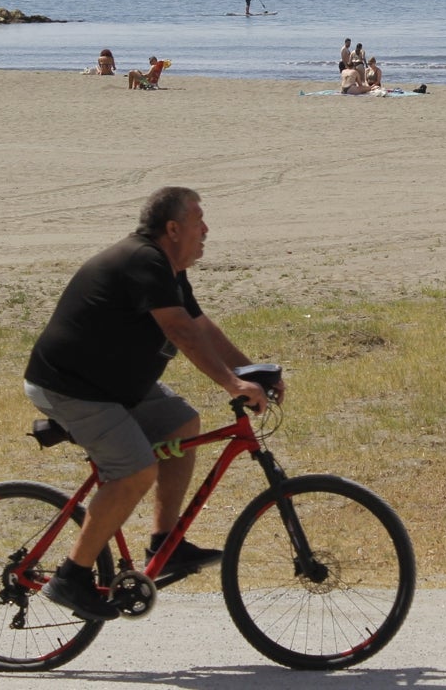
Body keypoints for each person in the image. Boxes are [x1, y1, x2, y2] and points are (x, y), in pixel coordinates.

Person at [25, 187, 285, 621]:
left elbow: (200, 326)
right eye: (198, 220)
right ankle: (71, 576)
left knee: (183, 424)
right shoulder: (142, 261)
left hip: (111, 386)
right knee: (134, 470)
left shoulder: (168, 269)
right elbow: (181, 333)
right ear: (172, 228)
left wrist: (250, 371)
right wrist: (230, 383)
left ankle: (167, 543)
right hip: (71, 387)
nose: (206, 229)